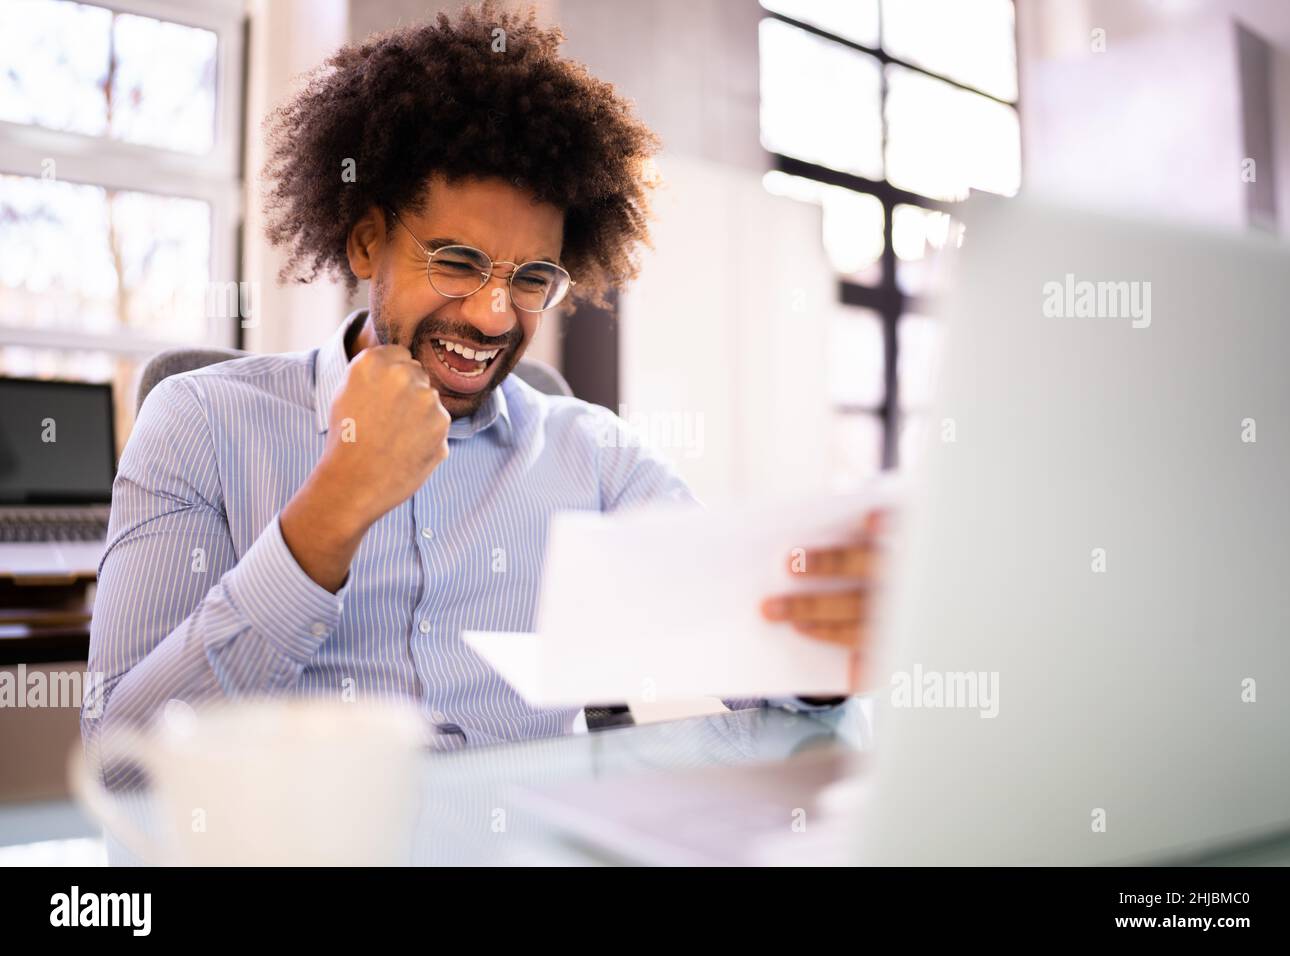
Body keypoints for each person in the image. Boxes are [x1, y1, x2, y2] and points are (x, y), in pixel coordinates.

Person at [85, 3, 882, 765]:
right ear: (368, 243)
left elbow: (741, 654)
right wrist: (336, 505)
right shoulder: (199, 420)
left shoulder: (595, 457)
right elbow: (125, 763)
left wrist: (809, 644)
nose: (494, 316)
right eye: (458, 263)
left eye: (531, 277)